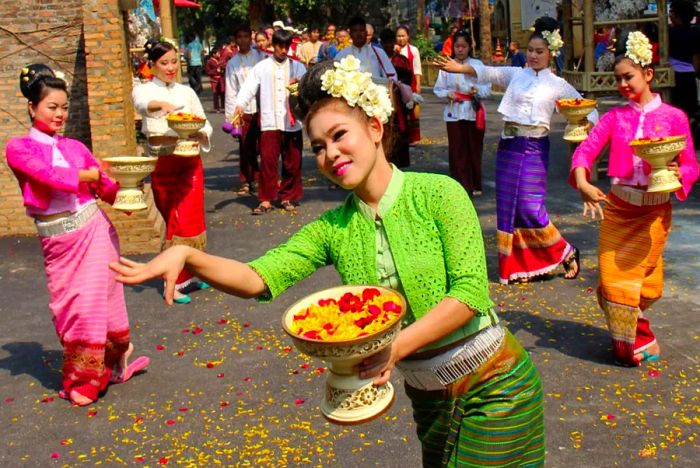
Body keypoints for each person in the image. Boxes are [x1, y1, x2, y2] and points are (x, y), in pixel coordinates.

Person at [111, 57, 545, 468]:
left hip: (495, 384)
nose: (330, 154)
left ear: (375, 127)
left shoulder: (439, 194)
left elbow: (469, 294)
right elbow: (257, 277)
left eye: (340, 135)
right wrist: (188, 254)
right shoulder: (334, 229)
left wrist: (393, 349)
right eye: (318, 146)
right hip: (429, 400)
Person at [5, 64, 149, 406]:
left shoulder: (75, 147)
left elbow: (103, 183)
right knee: (70, 307)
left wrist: (126, 194)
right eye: (51, 107)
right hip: (58, 239)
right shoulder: (19, 148)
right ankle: (104, 362)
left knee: (97, 304)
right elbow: (48, 176)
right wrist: (85, 175)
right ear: (32, 107)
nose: (60, 114)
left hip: (94, 230)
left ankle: (94, 372)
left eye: (64, 107)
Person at [434, 16, 597, 284]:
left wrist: (587, 126)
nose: (532, 56)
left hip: (534, 146)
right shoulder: (517, 74)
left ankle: (566, 251)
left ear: (550, 54)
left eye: (539, 52)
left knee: (530, 206)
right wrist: (459, 68)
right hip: (508, 145)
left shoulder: (558, 85)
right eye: (530, 50)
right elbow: (488, 72)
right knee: (510, 207)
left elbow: (587, 107)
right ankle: (523, 267)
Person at [570, 31, 699, 367]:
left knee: (648, 288)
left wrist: (676, 172)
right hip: (618, 210)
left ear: (648, 74)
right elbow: (586, 149)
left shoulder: (674, 118)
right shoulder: (614, 118)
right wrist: (582, 180)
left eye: (629, 77)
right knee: (614, 283)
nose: (623, 84)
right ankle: (637, 343)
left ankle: (637, 334)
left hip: (655, 214)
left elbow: (690, 164)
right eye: (618, 79)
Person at [132, 38, 213, 304]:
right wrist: (162, 106)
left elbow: (203, 121)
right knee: (173, 219)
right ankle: (179, 272)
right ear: (152, 65)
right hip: (164, 162)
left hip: (190, 161)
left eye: (174, 62)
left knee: (187, 218)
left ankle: (182, 277)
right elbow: (143, 105)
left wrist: (200, 132)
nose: (170, 67)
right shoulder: (144, 90)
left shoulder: (186, 92)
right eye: (163, 63)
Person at [233, 29, 307, 215]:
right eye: (280, 46)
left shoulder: (297, 67)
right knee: (268, 160)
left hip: (292, 122)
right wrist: (240, 104)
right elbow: (249, 87)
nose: (283, 50)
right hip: (269, 121)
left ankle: (287, 196)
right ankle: (265, 199)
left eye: (286, 46)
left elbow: (307, 89)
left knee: (293, 161)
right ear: (273, 45)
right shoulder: (262, 67)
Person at [434, 30, 491, 196]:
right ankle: (459, 185)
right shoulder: (447, 65)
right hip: (454, 111)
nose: (460, 50)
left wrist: (477, 90)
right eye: (457, 46)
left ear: (469, 47)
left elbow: (487, 88)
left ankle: (475, 184)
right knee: (457, 149)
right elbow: (438, 88)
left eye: (463, 46)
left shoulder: (477, 65)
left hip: (473, 110)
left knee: (474, 148)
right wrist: (447, 94)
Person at [225, 25, 263, 197]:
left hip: (262, 108)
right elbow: (231, 90)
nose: (243, 40)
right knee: (245, 146)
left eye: (246, 36)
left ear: (251, 38)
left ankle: (262, 178)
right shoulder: (232, 63)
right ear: (235, 40)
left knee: (263, 146)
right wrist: (232, 117)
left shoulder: (261, 57)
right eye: (239, 37)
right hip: (243, 110)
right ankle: (247, 180)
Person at [379, 28, 415, 168]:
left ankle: (399, 164)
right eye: (385, 42)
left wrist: (397, 87)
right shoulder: (377, 59)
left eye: (390, 42)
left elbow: (408, 79)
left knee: (399, 130)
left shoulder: (401, 60)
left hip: (398, 101)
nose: (387, 45)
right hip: (381, 99)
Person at [668, 0, 700, 127]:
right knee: (689, 111)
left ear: (677, 15)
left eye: (671, 12)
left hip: (674, 76)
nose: (669, 15)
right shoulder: (696, 32)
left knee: (675, 109)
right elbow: (696, 58)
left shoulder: (669, 33)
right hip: (689, 76)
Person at [335, 17, 396, 81]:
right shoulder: (342, 55)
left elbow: (392, 75)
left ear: (366, 33)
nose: (359, 34)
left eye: (361, 30)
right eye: (355, 31)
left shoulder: (378, 52)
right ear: (350, 34)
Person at [396, 25, 422, 145]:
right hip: (397, 83)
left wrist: (418, 85)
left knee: (413, 112)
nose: (401, 39)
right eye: (398, 36)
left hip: (410, 83)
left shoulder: (413, 50)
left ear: (408, 36)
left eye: (403, 36)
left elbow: (417, 69)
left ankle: (414, 137)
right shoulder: (393, 49)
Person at [204, 46, 225, 112]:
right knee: (215, 94)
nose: (219, 54)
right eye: (217, 53)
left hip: (220, 79)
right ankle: (217, 108)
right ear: (213, 54)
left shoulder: (219, 60)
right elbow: (207, 71)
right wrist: (216, 70)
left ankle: (223, 106)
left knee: (222, 93)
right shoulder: (209, 61)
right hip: (214, 80)